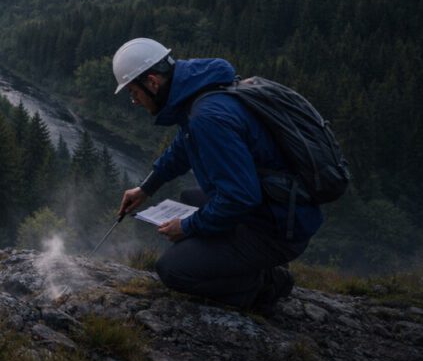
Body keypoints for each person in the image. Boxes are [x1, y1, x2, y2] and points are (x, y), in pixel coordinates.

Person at [113, 38, 322, 314]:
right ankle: (247, 262)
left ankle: (265, 283)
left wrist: (187, 228)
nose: (134, 101)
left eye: (133, 93)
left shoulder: (207, 117)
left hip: (276, 229)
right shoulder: (201, 92)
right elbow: (182, 149)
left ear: (152, 82)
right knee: (189, 197)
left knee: (172, 270)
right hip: (279, 205)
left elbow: (240, 197)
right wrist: (146, 188)